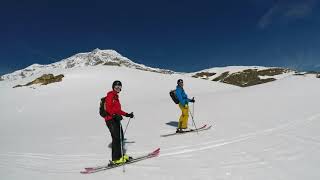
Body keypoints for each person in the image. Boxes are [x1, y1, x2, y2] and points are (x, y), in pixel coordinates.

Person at [104, 80, 134, 165]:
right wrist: (114, 115)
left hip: (115, 119)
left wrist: (127, 114)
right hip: (110, 120)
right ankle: (116, 159)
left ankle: (120, 156)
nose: (118, 88)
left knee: (120, 137)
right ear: (113, 87)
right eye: (116, 86)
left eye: (119, 86)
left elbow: (118, 110)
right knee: (116, 138)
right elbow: (109, 108)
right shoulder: (110, 95)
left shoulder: (116, 97)